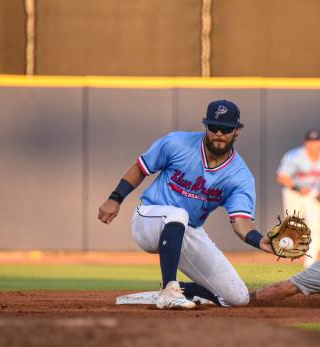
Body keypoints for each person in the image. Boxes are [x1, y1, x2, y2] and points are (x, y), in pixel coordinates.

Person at [98, 99, 275, 309]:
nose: (219, 133)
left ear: (237, 130)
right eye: (214, 127)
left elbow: (241, 221)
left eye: (226, 129)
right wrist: (115, 198)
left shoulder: (240, 176)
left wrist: (260, 241)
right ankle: (168, 290)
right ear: (206, 126)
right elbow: (141, 167)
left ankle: (183, 289)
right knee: (178, 214)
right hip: (149, 219)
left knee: (237, 298)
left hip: (188, 231)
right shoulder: (177, 143)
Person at [277, 129, 320, 268]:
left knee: (315, 227)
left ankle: (310, 265)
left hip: (312, 195)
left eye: (316, 142)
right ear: (305, 143)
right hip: (293, 194)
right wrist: (297, 188)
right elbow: (282, 177)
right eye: (310, 142)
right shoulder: (294, 156)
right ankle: (291, 255)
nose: (314, 145)